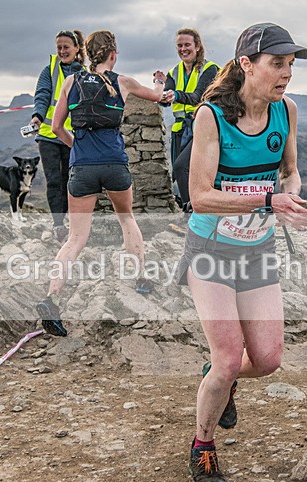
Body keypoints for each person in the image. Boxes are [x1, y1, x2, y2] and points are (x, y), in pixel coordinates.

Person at [178, 23, 307, 482]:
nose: (287, 74)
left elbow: (291, 171)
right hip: (210, 251)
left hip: (257, 250)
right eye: (277, 63)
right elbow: (199, 196)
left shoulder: (286, 111)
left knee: (268, 359)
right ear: (246, 64)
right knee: (227, 358)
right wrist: (268, 201)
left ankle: (218, 377)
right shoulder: (211, 117)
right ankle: (203, 444)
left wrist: (291, 197)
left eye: (291, 65)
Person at [35, 30, 166, 337]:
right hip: (115, 164)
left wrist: (77, 149)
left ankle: (52, 299)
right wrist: (160, 80)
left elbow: (56, 127)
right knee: (127, 219)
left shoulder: (70, 82)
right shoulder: (123, 82)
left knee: (75, 238)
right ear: (113, 54)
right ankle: (141, 278)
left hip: (82, 167)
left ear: (86, 54)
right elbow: (157, 96)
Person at [29, 30, 86, 243]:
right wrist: (37, 117)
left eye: (66, 47)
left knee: (71, 180)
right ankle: (58, 224)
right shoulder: (49, 70)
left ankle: (74, 222)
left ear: (77, 48)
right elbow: (42, 95)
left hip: (73, 137)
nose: (62, 51)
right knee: (54, 180)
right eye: (59, 47)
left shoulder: (84, 73)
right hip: (48, 134)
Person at [159, 28, 219, 211]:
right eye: (179, 45)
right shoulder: (174, 72)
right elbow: (165, 100)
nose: (183, 49)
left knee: (181, 167)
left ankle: (194, 210)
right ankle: (191, 211)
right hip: (180, 130)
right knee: (182, 172)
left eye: (187, 45)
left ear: (197, 46)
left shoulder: (210, 69)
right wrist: (161, 86)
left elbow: (198, 97)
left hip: (202, 128)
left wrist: (175, 95)